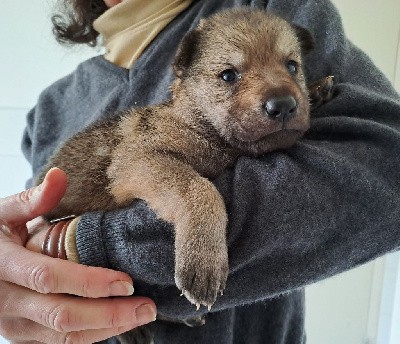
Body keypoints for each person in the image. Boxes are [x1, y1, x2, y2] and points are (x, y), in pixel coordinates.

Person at [1, 0, 400, 343]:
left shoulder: (267, 9)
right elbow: (132, 171)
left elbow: (385, 171)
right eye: (229, 75)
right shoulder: (50, 108)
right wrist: (19, 274)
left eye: (292, 67)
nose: (282, 93)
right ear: (184, 78)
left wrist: (88, 246)